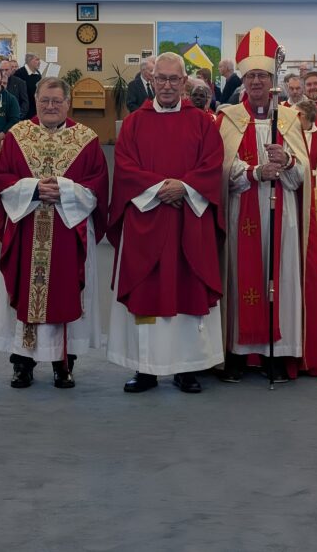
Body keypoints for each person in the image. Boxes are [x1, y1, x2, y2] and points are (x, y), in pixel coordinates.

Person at [107, 52, 225, 394]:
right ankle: (145, 369)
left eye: (175, 79)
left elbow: (211, 164)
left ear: (185, 82)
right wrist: (161, 188)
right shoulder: (134, 123)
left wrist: (184, 188)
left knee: (187, 292)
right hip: (147, 222)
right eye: (162, 79)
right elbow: (125, 167)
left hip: (189, 221)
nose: (168, 86)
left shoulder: (202, 122)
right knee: (147, 291)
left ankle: (187, 368)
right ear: (152, 80)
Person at [217, 30, 317, 383]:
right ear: (242, 80)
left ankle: (279, 354)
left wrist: (289, 161)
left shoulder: (290, 119)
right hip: (241, 212)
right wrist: (253, 171)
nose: (256, 83)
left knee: (282, 279)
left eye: (262, 77)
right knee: (240, 279)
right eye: (250, 76)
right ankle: (237, 351)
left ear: (272, 80)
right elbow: (220, 170)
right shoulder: (228, 118)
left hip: (284, 218)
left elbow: (304, 176)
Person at [0, 77, 109, 389]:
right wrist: (32, 189)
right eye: (45, 101)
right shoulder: (18, 135)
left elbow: (98, 184)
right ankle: (22, 363)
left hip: (69, 231)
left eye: (57, 101)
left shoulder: (86, 138)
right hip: (27, 227)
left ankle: (63, 363)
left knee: (64, 290)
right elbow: (1, 177)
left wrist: (65, 191)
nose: (51, 106)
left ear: (67, 103)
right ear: (36, 100)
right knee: (25, 291)